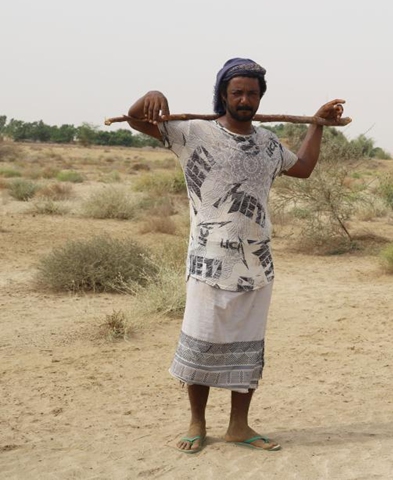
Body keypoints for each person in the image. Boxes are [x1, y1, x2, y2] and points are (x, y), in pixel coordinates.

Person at [126, 57, 345, 454]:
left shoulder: (268, 144)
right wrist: (150, 97)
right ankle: (197, 422)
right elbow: (136, 120)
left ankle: (239, 427)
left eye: (252, 93)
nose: (245, 99)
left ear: (261, 97)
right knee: (202, 340)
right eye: (237, 92)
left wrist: (316, 125)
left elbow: (306, 167)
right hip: (207, 263)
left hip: (257, 264)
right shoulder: (192, 133)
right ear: (223, 95)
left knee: (248, 344)